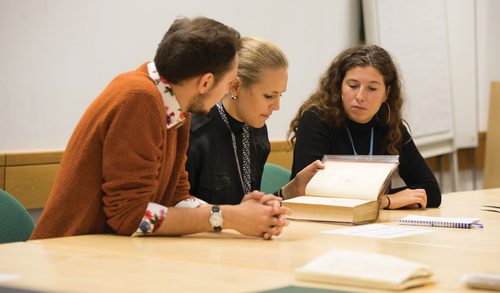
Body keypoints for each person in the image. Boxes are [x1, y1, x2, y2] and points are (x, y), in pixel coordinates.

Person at [31, 17, 289, 241]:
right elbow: (130, 217)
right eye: (228, 83)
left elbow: (178, 195)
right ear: (206, 82)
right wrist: (226, 217)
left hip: (109, 251)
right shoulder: (139, 99)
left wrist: (237, 214)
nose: (227, 92)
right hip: (70, 253)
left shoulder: (178, 103)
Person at [287, 44, 441, 209]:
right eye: (353, 86)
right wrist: (385, 201)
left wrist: (383, 201)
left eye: (372, 88)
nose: (360, 96)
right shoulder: (316, 120)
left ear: (386, 93)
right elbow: (309, 190)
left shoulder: (390, 126)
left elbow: (430, 192)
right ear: (339, 86)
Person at [186, 36, 323, 205]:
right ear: (235, 86)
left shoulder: (257, 130)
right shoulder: (194, 132)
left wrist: (291, 190)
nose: (277, 106)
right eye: (269, 96)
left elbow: (248, 209)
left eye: (280, 95)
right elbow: (176, 211)